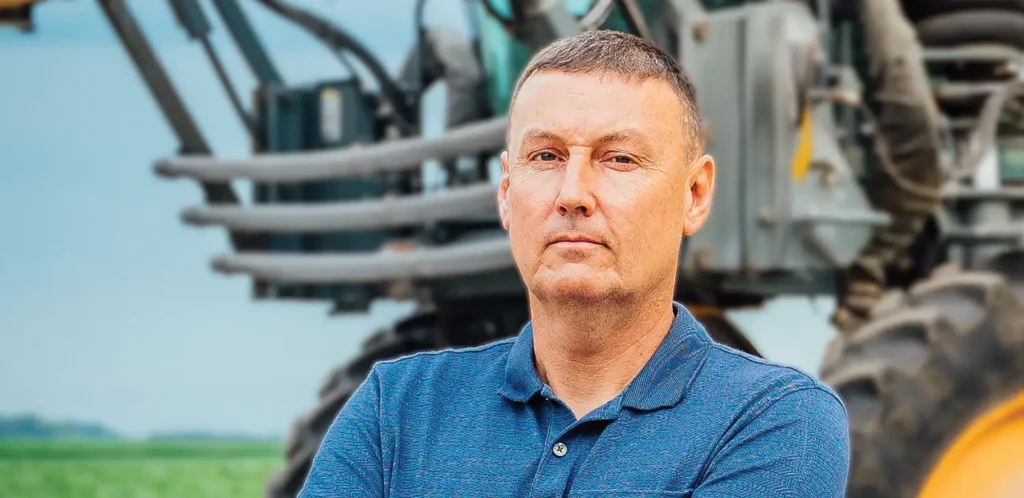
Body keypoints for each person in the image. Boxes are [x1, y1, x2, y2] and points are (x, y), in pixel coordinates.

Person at [298, 30, 850, 497]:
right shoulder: (394, 408)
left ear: (695, 194)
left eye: (619, 159)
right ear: (506, 191)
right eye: (546, 157)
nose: (573, 194)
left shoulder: (776, 424)